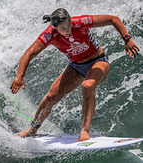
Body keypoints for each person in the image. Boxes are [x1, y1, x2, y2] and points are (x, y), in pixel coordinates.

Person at [10, 8, 139, 141]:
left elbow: (113, 19)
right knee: (51, 96)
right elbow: (29, 53)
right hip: (75, 66)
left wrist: (127, 39)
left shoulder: (80, 23)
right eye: (63, 28)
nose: (68, 30)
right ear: (54, 28)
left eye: (69, 25)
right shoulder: (49, 35)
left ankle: (84, 130)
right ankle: (33, 129)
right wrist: (19, 76)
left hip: (98, 61)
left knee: (87, 86)